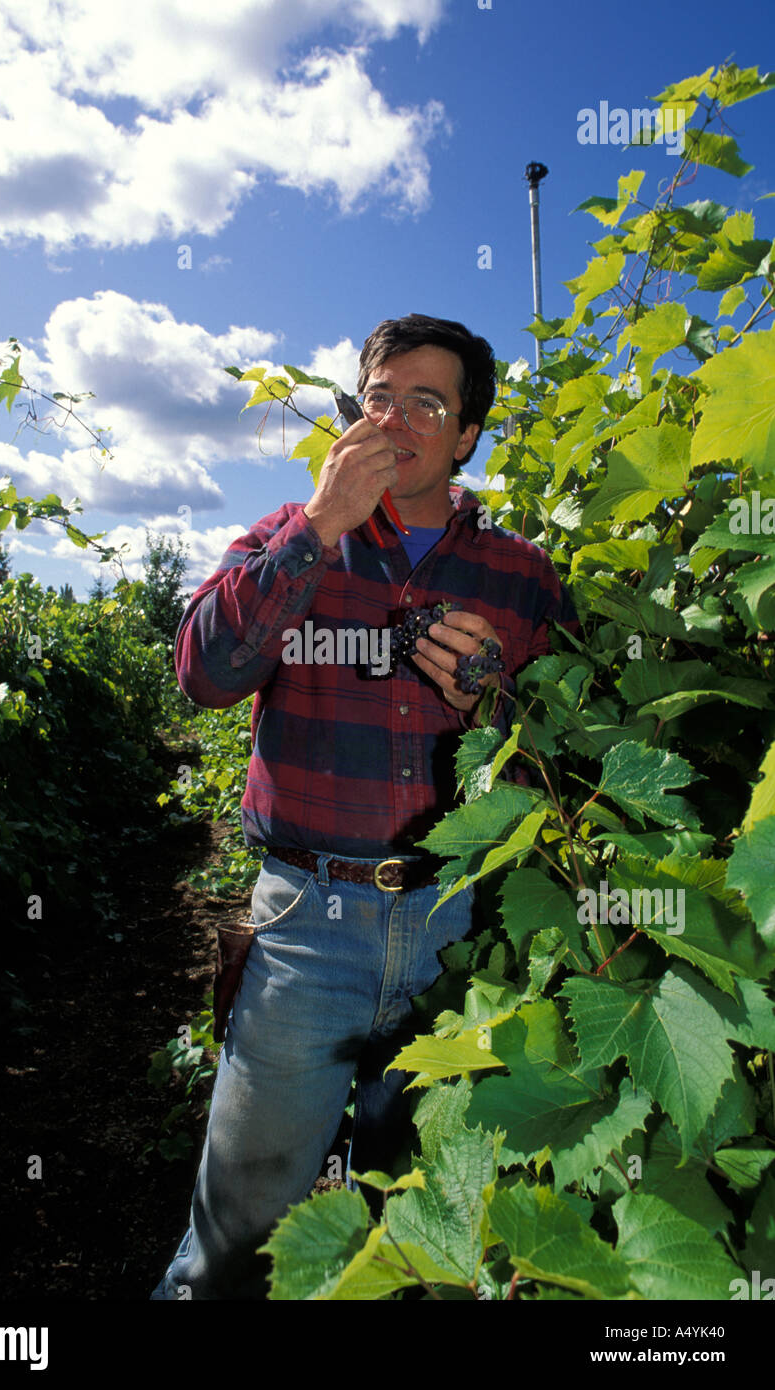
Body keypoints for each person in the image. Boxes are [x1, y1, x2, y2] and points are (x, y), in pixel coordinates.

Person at [151, 313, 578, 1300]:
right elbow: (201, 674)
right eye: (379, 396)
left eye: (426, 403)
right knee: (236, 1236)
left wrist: (496, 700)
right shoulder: (284, 537)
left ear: (467, 435)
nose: (395, 419)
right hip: (307, 925)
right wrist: (318, 527)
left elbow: (565, 753)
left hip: (455, 929)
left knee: (424, 1224)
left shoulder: (519, 574)